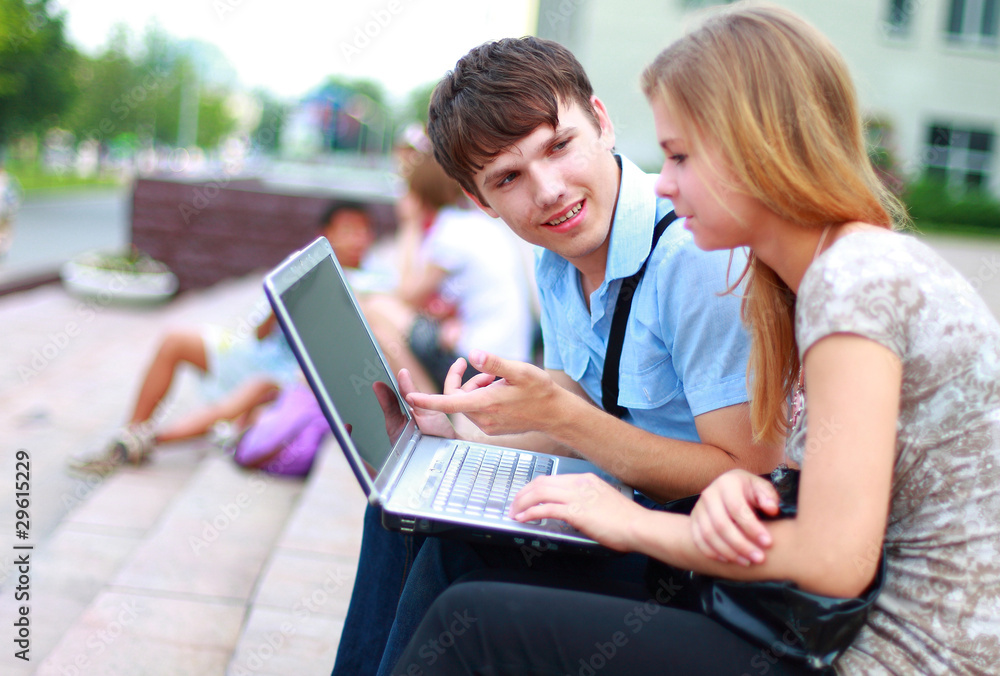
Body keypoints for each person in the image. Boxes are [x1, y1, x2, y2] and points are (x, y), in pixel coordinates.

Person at [391, 4, 1000, 674]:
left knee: (473, 624)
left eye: (681, 156)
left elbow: (834, 561)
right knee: (429, 542)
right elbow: (800, 475)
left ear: (757, 147)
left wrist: (635, 522)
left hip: (889, 654)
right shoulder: (815, 273)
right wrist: (748, 491)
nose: (665, 183)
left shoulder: (853, 284)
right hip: (820, 624)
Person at [331, 35, 784, 676]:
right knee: (403, 513)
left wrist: (563, 417)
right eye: (508, 178)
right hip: (628, 515)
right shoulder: (556, 258)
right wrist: (458, 439)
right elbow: (588, 413)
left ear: (600, 121)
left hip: (703, 561)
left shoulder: (692, 255)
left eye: (559, 146)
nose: (547, 191)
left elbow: (747, 471)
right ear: (480, 203)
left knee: (450, 559)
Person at [70, 201, 377, 475]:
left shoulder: (374, 281)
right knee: (176, 340)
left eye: (364, 232)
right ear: (326, 234)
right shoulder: (306, 268)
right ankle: (132, 430)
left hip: (296, 378)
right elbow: (259, 335)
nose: (357, 240)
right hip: (262, 356)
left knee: (251, 390)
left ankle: (143, 442)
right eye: (348, 230)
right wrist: (283, 302)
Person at [361, 151, 535, 395]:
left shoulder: (449, 231)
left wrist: (410, 225)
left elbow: (407, 294)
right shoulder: (474, 222)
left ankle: (427, 401)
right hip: (508, 357)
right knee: (385, 318)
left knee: (374, 310)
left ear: (418, 192)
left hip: (482, 366)